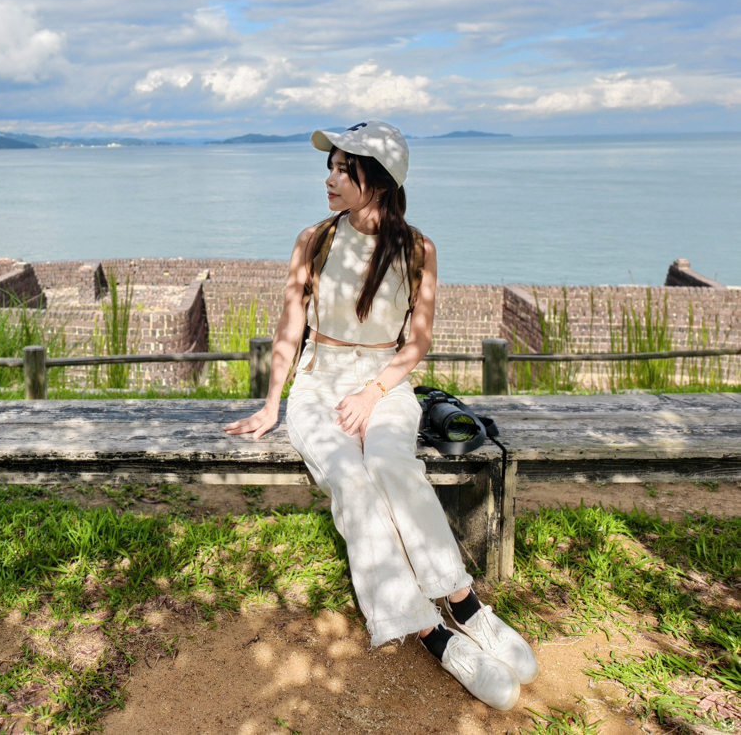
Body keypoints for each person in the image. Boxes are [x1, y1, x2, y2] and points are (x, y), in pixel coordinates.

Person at [225, 121, 538, 711]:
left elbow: (415, 345)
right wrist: (272, 403)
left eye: (345, 168)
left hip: (387, 385)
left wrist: (373, 393)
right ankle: (428, 628)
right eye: (332, 166)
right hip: (318, 388)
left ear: (380, 180)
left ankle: (464, 601)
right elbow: (291, 325)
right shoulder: (313, 239)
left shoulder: (418, 250)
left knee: (395, 467)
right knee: (352, 483)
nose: (330, 177)